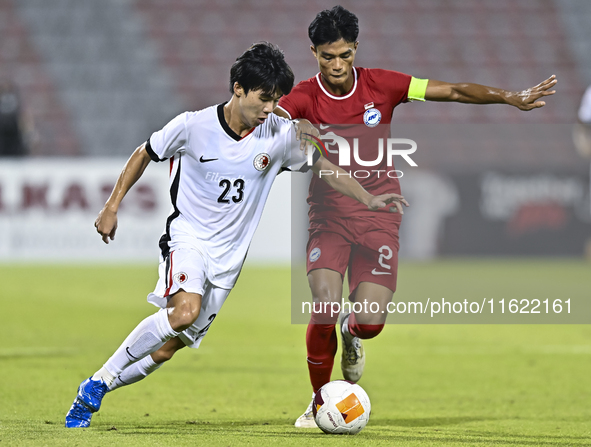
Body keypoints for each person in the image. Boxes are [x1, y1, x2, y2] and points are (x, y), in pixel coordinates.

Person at [64, 42, 408, 428]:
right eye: (264, 99)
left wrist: (367, 197)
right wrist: (112, 205)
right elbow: (145, 152)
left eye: (276, 100)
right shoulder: (193, 126)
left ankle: (89, 393)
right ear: (238, 88)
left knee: (166, 350)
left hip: (228, 262)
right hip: (189, 239)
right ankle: (100, 380)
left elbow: (323, 166)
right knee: (184, 312)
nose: (270, 108)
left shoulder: (278, 134)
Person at [273, 5, 557, 428]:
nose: (336, 65)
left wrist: (509, 97)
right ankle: (319, 402)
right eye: (327, 56)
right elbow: (269, 118)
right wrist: (287, 125)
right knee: (324, 304)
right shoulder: (301, 97)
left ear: (356, 49)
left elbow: (455, 91)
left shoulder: (383, 85)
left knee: (369, 322)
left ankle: (352, 334)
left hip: (380, 213)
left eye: (345, 55)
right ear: (312, 52)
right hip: (328, 216)